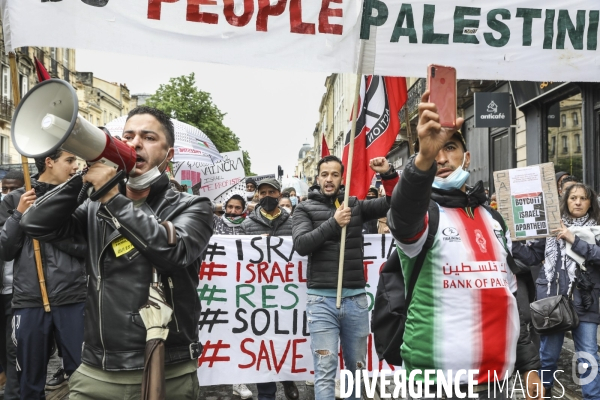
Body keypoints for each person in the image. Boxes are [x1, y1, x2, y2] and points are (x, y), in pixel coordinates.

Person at [20, 106, 213, 399]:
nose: (135, 144)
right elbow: (34, 223)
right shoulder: (94, 208)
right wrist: (85, 178)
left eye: (148, 137)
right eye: (128, 137)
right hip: (96, 371)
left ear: (168, 154)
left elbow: (172, 252)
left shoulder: (192, 207)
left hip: (164, 370)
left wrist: (111, 196)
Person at [386, 91, 541, 399]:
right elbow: (402, 215)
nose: (442, 158)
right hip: (435, 384)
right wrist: (422, 162)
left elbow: (512, 296)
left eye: (451, 147)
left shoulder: (494, 218)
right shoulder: (424, 215)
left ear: (466, 158)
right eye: (434, 152)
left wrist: (530, 366)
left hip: (498, 382)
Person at [291, 155, 399, 400]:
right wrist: (334, 222)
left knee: (356, 372)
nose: (329, 179)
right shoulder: (303, 208)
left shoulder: (355, 205)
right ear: (317, 178)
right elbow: (301, 244)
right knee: (325, 370)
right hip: (321, 303)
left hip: (356, 302)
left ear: (342, 179)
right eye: (325, 174)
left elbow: (393, 202)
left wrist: (388, 174)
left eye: (335, 175)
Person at [0, 151, 86, 399]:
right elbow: (5, 250)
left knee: (81, 375)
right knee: (28, 378)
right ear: (49, 162)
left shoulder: (79, 198)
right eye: (70, 160)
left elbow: (86, 247)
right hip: (28, 300)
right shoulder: (16, 198)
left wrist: (48, 231)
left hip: (72, 297)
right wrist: (19, 214)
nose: (75, 166)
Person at [513, 183, 600, 399]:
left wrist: (574, 239)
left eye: (583, 198)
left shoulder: (597, 228)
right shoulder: (552, 228)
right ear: (566, 201)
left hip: (586, 302)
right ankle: (544, 393)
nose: (578, 202)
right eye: (573, 198)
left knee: (588, 357)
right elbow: (533, 257)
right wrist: (512, 241)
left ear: (590, 202)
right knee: (548, 356)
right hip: (552, 303)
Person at [240, 178, 299, 400]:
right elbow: (239, 258)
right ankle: (266, 392)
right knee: (261, 343)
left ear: (278, 193)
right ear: (257, 195)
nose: (267, 196)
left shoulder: (293, 223)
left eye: (271, 192)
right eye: (262, 192)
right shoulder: (247, 225)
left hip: (287, 293)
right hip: (258, 294)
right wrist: (254, 244)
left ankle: (287, 378)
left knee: (285, 338)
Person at [0, 171, 24, 400]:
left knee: (13, 346)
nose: (7, 194)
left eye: (13, 189)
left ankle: (12, 394)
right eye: (4, 189)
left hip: (17, 292)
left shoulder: (28, 210)